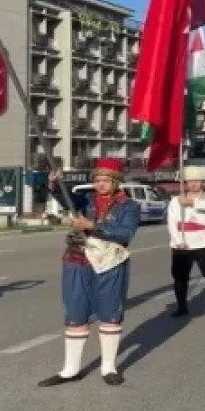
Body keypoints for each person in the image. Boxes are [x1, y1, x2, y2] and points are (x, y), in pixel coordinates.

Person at [41, 159, 141, 387]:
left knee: (110, 313)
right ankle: (70, 369)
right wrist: (55, 184)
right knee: (75, 312)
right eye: (97, 180)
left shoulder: (129, 206)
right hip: (77, 261)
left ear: (116, 181)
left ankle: (109, 367)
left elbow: (126, 233)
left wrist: (92, 226)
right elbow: (64, 198)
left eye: (105, 180)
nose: (100, 184)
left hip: (110, 264)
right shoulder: (87, 200)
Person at [167, 165, 205, 318]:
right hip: (182, 244)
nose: (192, 184)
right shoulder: (176, 200)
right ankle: (181, 306)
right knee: (180, 277)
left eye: (196, 181)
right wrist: (178, 240)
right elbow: (172, 222)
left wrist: (192, 203)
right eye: (189, 181)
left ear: (203, 183)